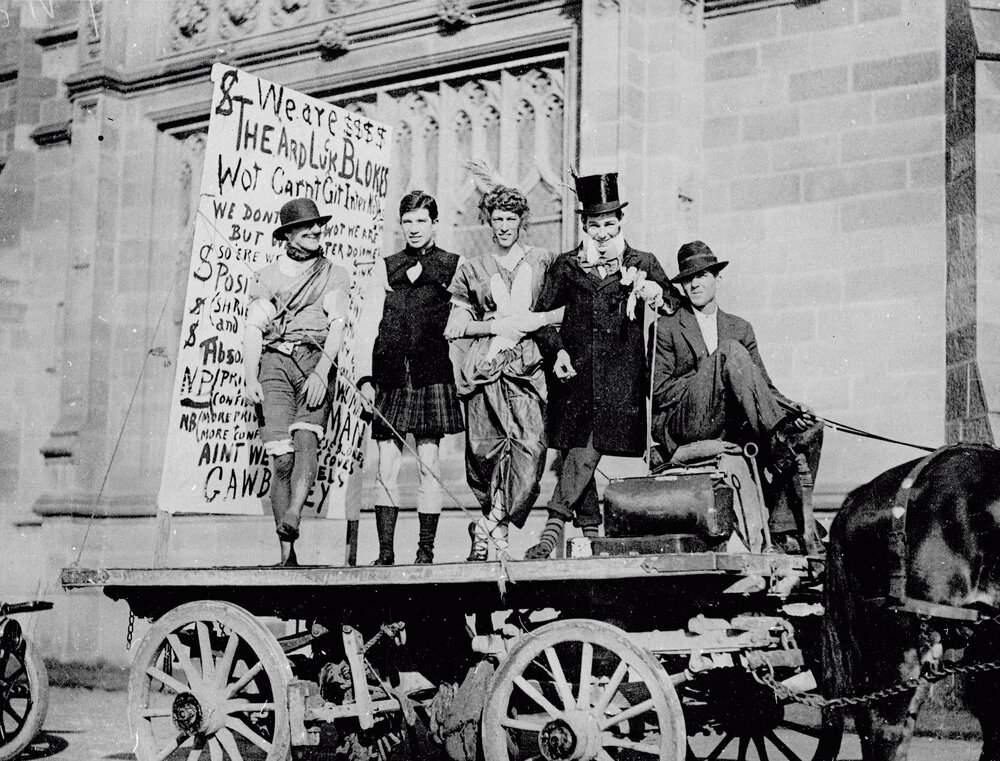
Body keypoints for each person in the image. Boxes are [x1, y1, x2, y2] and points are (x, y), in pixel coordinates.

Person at [524, 173, 681, 560]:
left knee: (586, 447)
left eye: (610, 224)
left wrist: (655, 292)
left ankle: (553, 527)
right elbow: (541, 318)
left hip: (620, 379)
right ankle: (588, 533)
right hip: (574, 376)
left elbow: (674, 304)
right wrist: (556, 351)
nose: (603, 233)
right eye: (596, 225)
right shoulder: (565, 266)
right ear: (585, 226)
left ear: (620, 223)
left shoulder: (642, 262)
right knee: (582, 448)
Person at [650, 240, 823, 552]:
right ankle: (780, 445)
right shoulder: (667, 327)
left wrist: (792, 408)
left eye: (702, 275)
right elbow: (660, 393)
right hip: (686, 422)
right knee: (729, 352)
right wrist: (712, 374)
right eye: (688, 278)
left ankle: (784, 528)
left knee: (810, 429)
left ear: (718, 277)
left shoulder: (740, 327)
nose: (695, 283)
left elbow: (764, 388)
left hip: (729, 424)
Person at [444, 183, 561, 561]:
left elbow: (565, 311)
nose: (504, 226)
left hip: (529, 366)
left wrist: (532, 319)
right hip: (486, 367)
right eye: (497, 219)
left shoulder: (545, 261)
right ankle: (495, 537)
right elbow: (457, 324)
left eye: (511, 218)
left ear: (522, 221)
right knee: (485, 454)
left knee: (529, 453)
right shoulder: (473, 269)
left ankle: (487, 525)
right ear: (488, 222)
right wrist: (494, 326)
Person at [243, 197, 350, 566]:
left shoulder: (334, 273)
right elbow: (254, 329)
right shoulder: (266, 277)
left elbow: (338, 326)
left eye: (320, 227)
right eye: (308, 228)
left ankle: (294, 516)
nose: (317, 232)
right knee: (281, 460)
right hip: (275, 364)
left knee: (307, 441)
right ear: (289, 234)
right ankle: (286, 554)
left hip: (314, 362)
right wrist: (249, 375)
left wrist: (322, 371)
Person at [361, 191, 464, 565]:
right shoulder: (386, 267)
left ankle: (425, 552)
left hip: (430, 375)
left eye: (422, 221)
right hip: (390, 376)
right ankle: (385, 554)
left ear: (435, 223)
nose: (415, 229)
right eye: (408, 222)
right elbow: (369, 324)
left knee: (429, 462)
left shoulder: (454, 265)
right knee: (386, 464)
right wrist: (365, 378)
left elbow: (465, 320)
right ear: (400, 224)